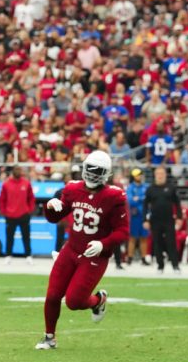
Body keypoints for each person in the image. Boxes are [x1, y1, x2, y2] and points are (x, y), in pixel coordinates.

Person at [37, 150, 129, 350]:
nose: (93, 174)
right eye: (90, 169)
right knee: (53, 295)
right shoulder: (72, 189)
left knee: (74, 301)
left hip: (94, 255)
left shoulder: (114, 196)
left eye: (98, 170)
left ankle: (98, 300)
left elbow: (123, 232)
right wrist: (50, 207)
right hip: (71, 249)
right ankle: (49, 337)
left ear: (106, 173)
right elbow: (53, 218)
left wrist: (103, 244)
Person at [143, 166, 183, 274]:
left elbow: (177, 204)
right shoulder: (150, 189)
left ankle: (175, 265)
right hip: (155, 220)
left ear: (165, 175)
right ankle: (160, 266)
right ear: (155, 175)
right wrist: (145, 220)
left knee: (171, 242)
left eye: (162, 174)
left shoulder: (171, 188)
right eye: (158, 174)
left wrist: (179, 217)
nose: (160, 176)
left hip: (169, 220)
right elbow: (145, 205)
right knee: (157, 243)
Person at [0, 165, 36, 265]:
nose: (19, 171)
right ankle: (8, 256)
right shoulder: (6, 184)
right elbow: (2, 199)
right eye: (17, 169)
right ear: (13, 171)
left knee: (26, 237)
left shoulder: (26, 183)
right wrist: (4, 211)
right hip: (10, 215)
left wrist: (30, 210)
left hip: (24, 214)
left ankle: (28, 256)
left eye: (20, 169)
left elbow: (31, 198)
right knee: (9, 237)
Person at [125, 168, 150, 265]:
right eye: (137, 175)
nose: (139, 176)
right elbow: (130, 201)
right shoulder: (130, 187)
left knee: (144, 237)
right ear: (134, 176)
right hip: (134, 216)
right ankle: (130, 257)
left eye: (140, 174)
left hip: (144, 215)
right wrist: (141, 199)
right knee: (132, 237)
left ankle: (143, 258)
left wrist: (137, 198)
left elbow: (148, 199)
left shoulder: (146, 186)